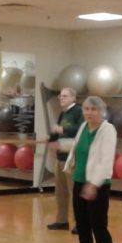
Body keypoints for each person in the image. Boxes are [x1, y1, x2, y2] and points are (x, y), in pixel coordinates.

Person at [63, 96, 118, 243]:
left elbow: (105, 160)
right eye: (86, 108)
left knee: (99, 230)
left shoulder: (107, 129)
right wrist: (59, 147)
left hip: (98, 185)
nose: (89, 112)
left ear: (101, 111)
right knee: (83, 228)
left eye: (93, 109)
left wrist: (94, 184)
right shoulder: (83, 127)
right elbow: (78, 149)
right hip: (80, 182)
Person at [46, 87, 84, 232]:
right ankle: (62, 221)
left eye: (65, 96)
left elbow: (81, 129)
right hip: (60, 158)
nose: (61, 98)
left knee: (74, 191)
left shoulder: (78, 112)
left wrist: (63, 130)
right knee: (60, 192)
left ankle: (79, 223)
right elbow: (57, 131)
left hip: (72, 158)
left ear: (73, 98)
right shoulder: (63, 114)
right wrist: (50, 139)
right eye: (60, 96)